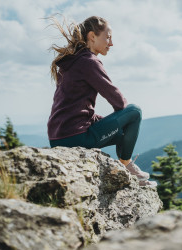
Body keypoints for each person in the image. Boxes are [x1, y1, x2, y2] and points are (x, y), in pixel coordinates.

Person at [47, 16, 155, 187]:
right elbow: (118, 101)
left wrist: (106, 122)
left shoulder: (72, 61)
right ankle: (127, 166)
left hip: (58, 137)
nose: (111, 43)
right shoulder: (89, 61)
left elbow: (74, 107)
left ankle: (128, 171)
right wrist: (122, 119)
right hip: (76, 137)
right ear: (92, 36)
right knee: (134, 112)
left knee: (122, 135)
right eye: (108, 37)